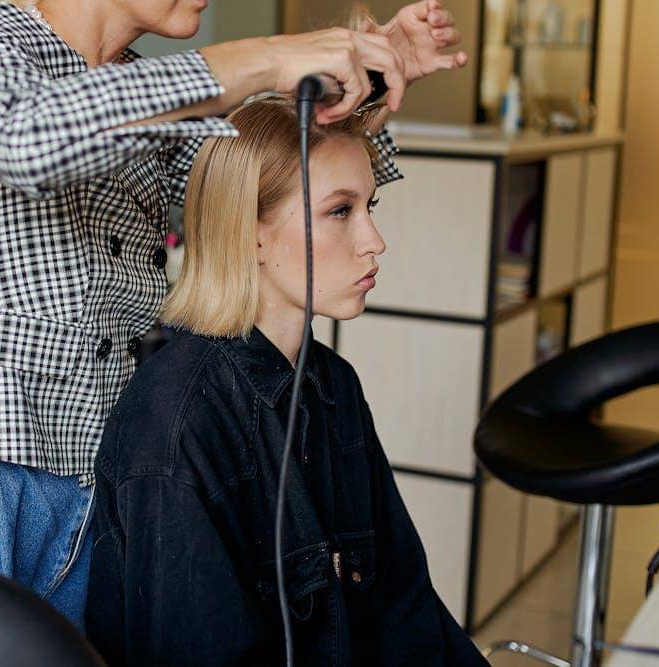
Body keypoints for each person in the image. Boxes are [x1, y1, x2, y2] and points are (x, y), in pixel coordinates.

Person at [0, 0, 467, 630]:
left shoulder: (145, 95)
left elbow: (248, 186)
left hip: (92, 489)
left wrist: (370, 81)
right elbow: (27, 139)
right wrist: (266, 58)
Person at [85, 96, 488, 665]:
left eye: (369, 206)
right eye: (340, 211)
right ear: (248, 231)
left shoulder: (334, 386)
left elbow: (405, 608)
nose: (376, 241)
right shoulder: (176, 427)